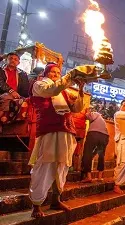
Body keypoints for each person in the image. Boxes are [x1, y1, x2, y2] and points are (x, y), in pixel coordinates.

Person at [28, 63, 87, 218]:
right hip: (49, 131)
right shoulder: (40, 85)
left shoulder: (64, 91)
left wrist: (80, 90)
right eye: (53, 72)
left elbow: (76, 109)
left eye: (58, 72)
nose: (56, 74)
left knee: (62, 166)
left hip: (66, 131)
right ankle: (36, 204)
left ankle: (56, 199)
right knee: (45, 165)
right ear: (47, 73)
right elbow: (50, 91)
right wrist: (70, 77)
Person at [81, 107, 109, 183]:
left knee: (87, 153)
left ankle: (89, 177)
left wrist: (87, 111)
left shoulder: (95, 114)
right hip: (105, 136)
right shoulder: (102, 120)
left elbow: (88, 116)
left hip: (94, 134)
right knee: (101, 155)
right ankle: (100, 177)